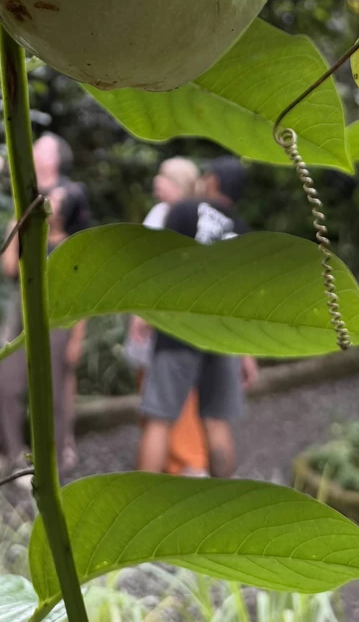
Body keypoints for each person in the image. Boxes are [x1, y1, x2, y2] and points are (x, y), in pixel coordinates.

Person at [137, 157, 258, 478]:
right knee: (216, 420)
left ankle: (141, 502)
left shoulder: (185, 210)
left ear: (214, 181)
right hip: (225, 334)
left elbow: (163, 266)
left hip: (180, 327)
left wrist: (145, 313)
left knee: (160, 418)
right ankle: (223, 501)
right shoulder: (244, 231)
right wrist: (247, 351)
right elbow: (246, 297)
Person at [0, 133, 90, 477]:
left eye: (41, 147)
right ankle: (14, 455)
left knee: (53, 387)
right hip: (23, 306)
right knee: (5, 381)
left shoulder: (71, 194)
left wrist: (78, 334)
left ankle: (56, 461)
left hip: (59, 308)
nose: (32, 149)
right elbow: (6, 268)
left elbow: (84, 283)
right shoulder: (25, 196)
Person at [127, 157, 208, 475]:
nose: (156, 182)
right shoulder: (159, 213)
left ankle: (184, 461)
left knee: (175, 392)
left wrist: (149, 312)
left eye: (165, 177)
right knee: (150, 389)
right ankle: (162, 459)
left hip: (170, 319)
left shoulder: (189, 216)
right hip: (148, 311)